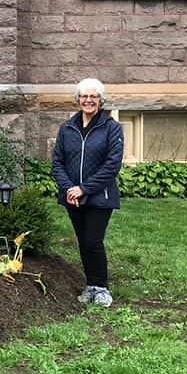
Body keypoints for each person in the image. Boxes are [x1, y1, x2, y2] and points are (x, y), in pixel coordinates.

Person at [51, 78, 124, 308]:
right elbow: (57, 162)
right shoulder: (67, 128)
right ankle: (90, 285)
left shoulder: (111, 128)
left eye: (93, 97)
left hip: (99, 196)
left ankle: (101, 287)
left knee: (93, 240)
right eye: (84, 96)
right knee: (83, 242)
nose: (88, 100)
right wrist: (69, 188)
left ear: (100, 101)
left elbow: (112, 165)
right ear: (78, 99)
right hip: (72, 196)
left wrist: (84, 188)